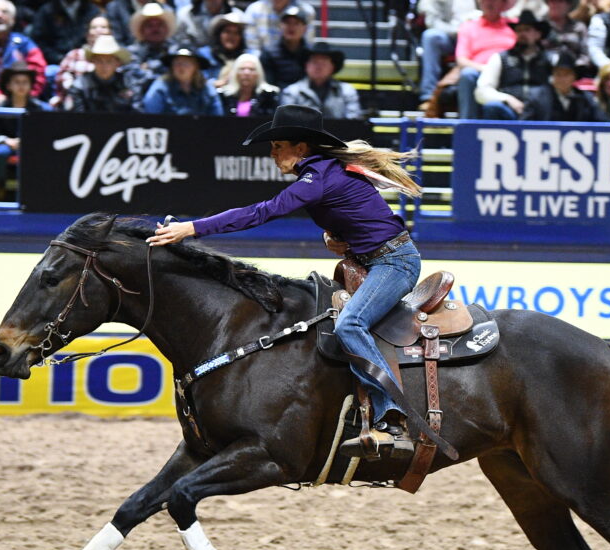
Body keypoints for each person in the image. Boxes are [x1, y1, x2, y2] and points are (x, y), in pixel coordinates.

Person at [146, 104, 426, 460]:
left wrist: (192, 228)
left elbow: (261, 212)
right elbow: (360, 213)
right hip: (378, 260)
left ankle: (392, 412)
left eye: (278, 145)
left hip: (393, 263)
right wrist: (336, 236)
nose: (272, 153)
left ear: (301, 148)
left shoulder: (316, 177)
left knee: (350, 324)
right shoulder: (325, 171)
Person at [474, 9, 551, 119]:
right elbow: (481, 92)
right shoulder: (500, 58)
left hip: (541, 112)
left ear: (538, 34)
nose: (522, 34)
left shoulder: (549, 59)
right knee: (493, 107)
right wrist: (507, 99)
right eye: (519, 30)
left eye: (527, 30)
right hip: (510, 112)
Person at [0, 60, 50, 199]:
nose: (21, 86)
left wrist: (27, 141)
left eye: (25, 82)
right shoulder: (1, 107)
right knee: (0, 152)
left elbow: (42, 134)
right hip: (8, 144)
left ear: (30, 85)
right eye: (17, 82)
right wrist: (7, 141)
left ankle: (37, 191)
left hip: (31, 145)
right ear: (9, 85)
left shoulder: (37, 108)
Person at [455, 0, 516, 118]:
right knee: (467, 74)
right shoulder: (468, 27)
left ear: (503, 4)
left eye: (494, 0)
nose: (489, 3)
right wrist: (488, 69)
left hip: (509, 71)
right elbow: (462, 60)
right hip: (480, 71)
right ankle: (467, 124)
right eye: (485, 0)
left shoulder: (514, 25)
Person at [280, 42, 359, 119]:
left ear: (332, 67)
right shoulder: (291, 92)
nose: (319, 67)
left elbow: (353, 121)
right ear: (306, 65)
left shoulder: (347, 91)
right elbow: (287, 122)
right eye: (314, 62)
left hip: (339, 128)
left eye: (324, 62)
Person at [418, 0, 476, 105]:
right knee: (430, 36)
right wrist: (458, 30)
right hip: (450, 36)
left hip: (477, 33)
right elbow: (432, 22)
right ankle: (429, 97)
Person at [141, 44, 223, 114]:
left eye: (186, 63)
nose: (181, 67)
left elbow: (216, 119)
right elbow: (151, 118)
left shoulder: (207, 89)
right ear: (171, 66)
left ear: (196, 67)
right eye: (177, 63)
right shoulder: (160, 88)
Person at [65, 33, 136, 111]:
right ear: (93, 61)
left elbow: (136, 111)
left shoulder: (127, 83)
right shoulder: (79, 86)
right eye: (99, 61)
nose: (104, 65)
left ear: (117, 63)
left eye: (109, 61)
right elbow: (77, 115)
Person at [521, 51, 601, 120]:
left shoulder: (585, 99)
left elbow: (602, 123)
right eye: (558, 74)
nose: (562, 79)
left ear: (574, 77)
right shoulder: (536, 97)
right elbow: (523, 126)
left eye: (566, 74)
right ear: (552, 76)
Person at [52, 14, 110, 107]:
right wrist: (75, 89)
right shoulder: (74, 55)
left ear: (111, 33)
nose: (98, 30)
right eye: (94, 27)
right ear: (87, 34)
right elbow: (62, 78)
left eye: (103, 27)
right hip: (77, 101)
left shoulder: (116, 57)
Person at [30, 0, 101, 66]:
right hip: (55, 63)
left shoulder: (92, 10)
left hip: (86, 59)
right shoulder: (46, 11)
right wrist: (59, 59)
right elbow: (39, 42)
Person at [125, 1, 175, 93]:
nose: (155, 29)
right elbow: (136, 81)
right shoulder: (131, 53)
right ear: (141, 30)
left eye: (159, 25)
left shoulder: (175, 50)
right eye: (150, 25)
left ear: (166, 28)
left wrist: (149, 66)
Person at [259, 4, 308, 89]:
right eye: (287, 23)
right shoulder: (269, 53)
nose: (291, 27)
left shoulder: (310, 54)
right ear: (280, 26)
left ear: (305, 28)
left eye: (296, 23)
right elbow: (268, 85)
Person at [219, 51, 280, 116]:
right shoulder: (224, 95)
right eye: (242, 69)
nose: (246, 73)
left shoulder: (269, 94)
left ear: (258, 73)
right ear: (235, 73)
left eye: (251, 69)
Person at [244, 0, 314, 51]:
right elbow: (252, 48)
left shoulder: (307, 11)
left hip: (297, 61)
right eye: (287, 22)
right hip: (263, 61)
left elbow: (308, 45)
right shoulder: (254, 10)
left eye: (296, 23)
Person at [199, 10, 245, 83]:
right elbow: (199, 81)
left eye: (236, 33)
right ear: (218, 34)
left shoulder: (247, 57)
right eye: (227, 32)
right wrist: (217, 84)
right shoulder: (204, 55)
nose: (231, 37)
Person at [543, 0, 587, 73]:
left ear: (569, 5)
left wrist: (578, 67)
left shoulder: (579, 27)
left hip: (574, 71)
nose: (555, 4)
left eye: (560, 1)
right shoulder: (540, 27)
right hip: (545, 71)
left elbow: (585, 54)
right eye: (551, 1)